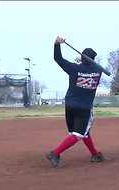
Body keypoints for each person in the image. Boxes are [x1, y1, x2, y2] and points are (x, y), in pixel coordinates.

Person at [46, 36, 109, 168]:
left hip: (70, 106)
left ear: (82, 58)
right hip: (84, 108)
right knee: (79, 134)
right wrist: (82, 60)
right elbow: (89, 66)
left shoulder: (74, 69)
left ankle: (95, 155)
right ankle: (55, 153)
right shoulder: (98, 71)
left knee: (84, 132)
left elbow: (58, 59)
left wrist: (57, 44)